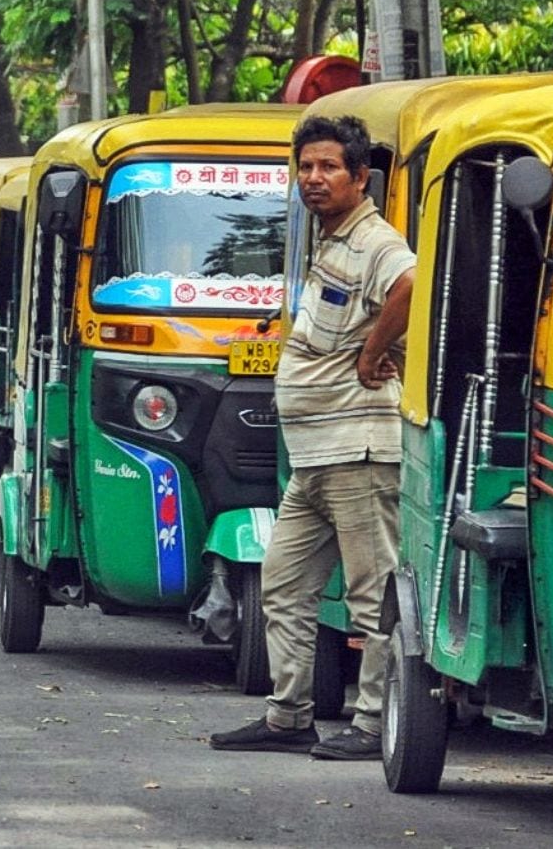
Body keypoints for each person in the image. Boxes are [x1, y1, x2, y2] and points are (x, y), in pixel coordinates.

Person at [210, 115, 415, 760]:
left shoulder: (374, 240)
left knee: (371, 596)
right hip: (314, 458)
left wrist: (371, 354)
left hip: (358, 452)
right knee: (283, 583)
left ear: (361, 177)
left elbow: (411, 285)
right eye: (305, 167)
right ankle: (288, 716)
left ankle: (374, 723)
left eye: (328, 167)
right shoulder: (329, 242)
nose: (314, 178)